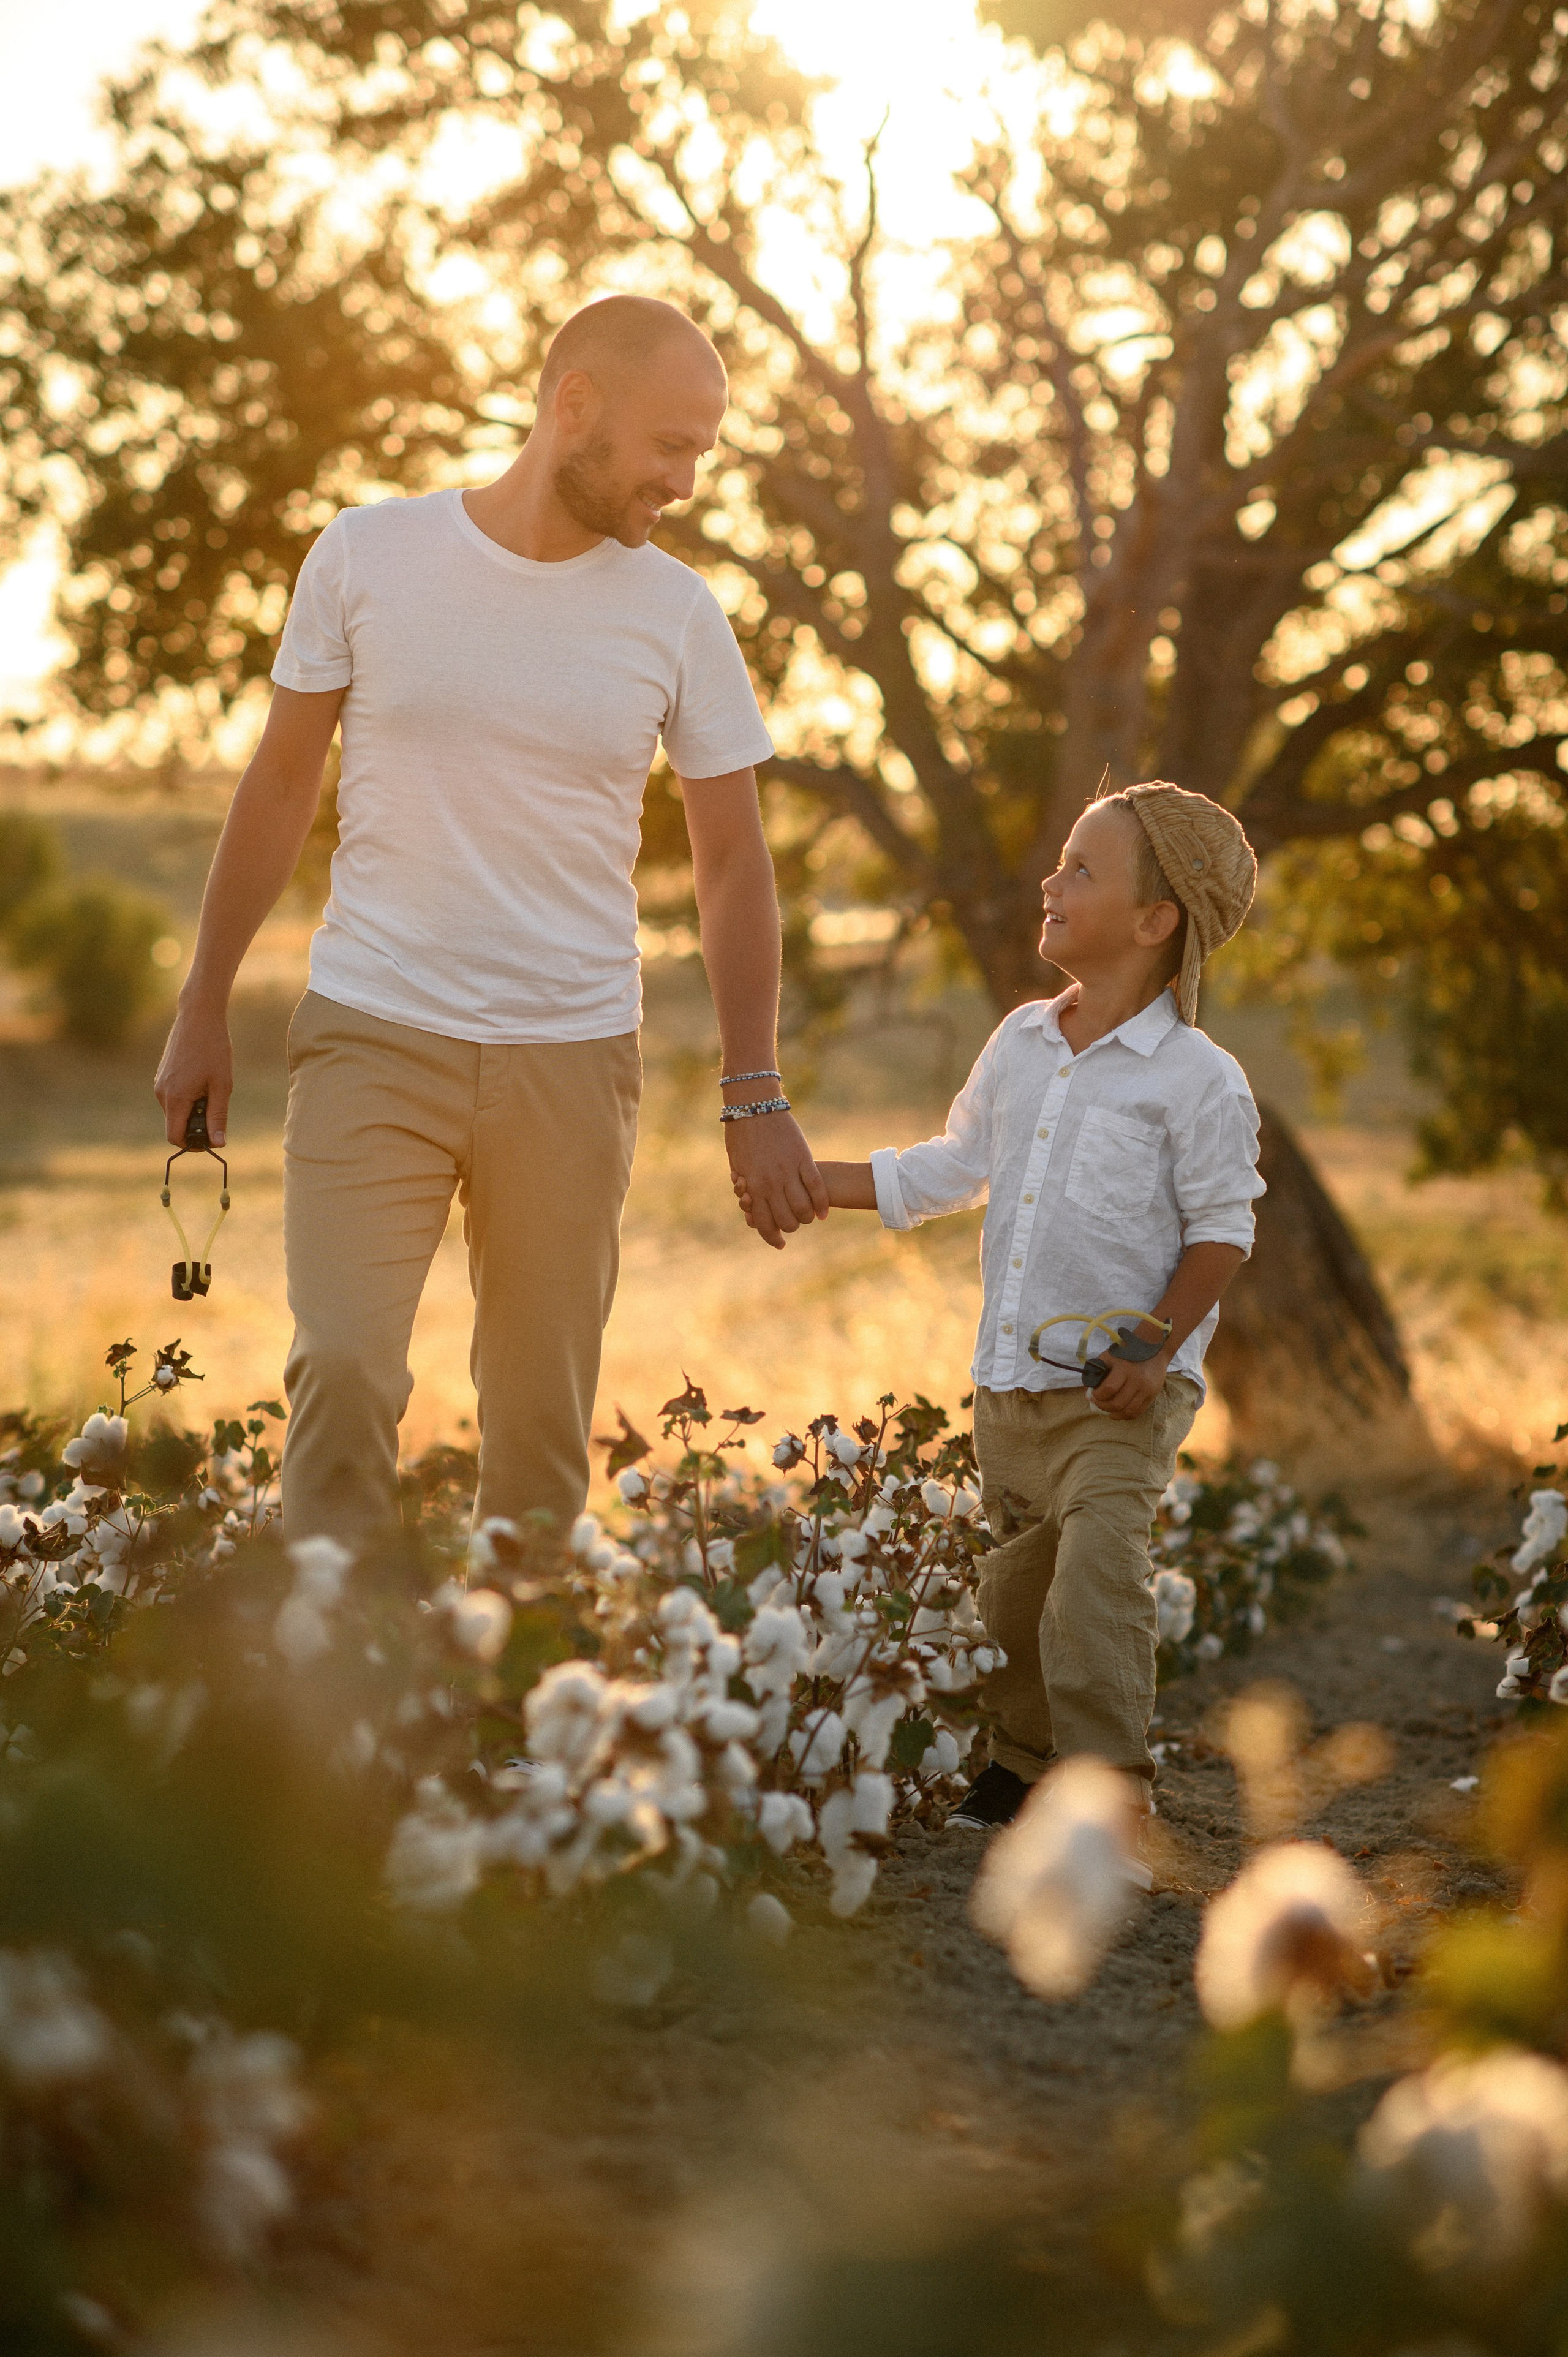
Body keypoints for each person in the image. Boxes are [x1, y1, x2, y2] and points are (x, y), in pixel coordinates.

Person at [156, 294, 828, 1542]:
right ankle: (335, 1654)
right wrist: (204, 1004)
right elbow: (282, 785)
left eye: (701, 454)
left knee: (537, 1434)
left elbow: (734, 862)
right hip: (372, 1032)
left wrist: (755, 1090)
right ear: (574, 405)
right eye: (668, 446)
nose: (685, 483)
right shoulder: (367, 555)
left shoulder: (678, 613)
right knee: (343, 1368)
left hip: (571, 1057)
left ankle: (518, 1666)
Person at [736, 782, 1264, 1830]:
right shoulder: (1021, 1040)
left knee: (1097, 1576)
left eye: (1082, 869)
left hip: (1119, 1392)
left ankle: (1112, 1788)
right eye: (1060, 861)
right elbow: (955, 1165)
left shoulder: (1197, 1079)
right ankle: (1021, 1767)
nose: (1050, 882)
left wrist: (1154, 1346)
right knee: (1016, 1598)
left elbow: (1223, 1231)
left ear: (1154, 921)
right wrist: (815, 1182)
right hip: (1011, 1385)